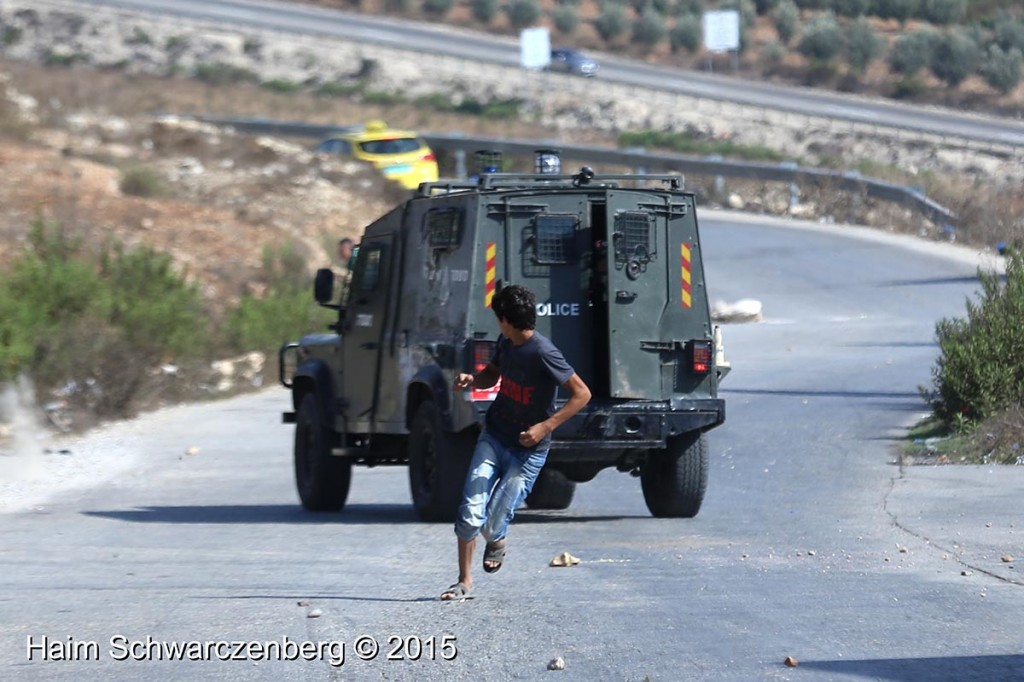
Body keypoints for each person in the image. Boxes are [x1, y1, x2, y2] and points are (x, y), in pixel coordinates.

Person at [441, 284, 592, 601]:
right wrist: (472, 379)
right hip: (494, 436)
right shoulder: (506, 342)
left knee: (491, 523)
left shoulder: (543, 352)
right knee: (470, 510)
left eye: (498, 318)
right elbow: (491, 376)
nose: (497, 323)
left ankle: (496, 539)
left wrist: (544, 427)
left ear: (506, 320)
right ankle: (464, 582)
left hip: (527, 452)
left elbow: (582, 394)